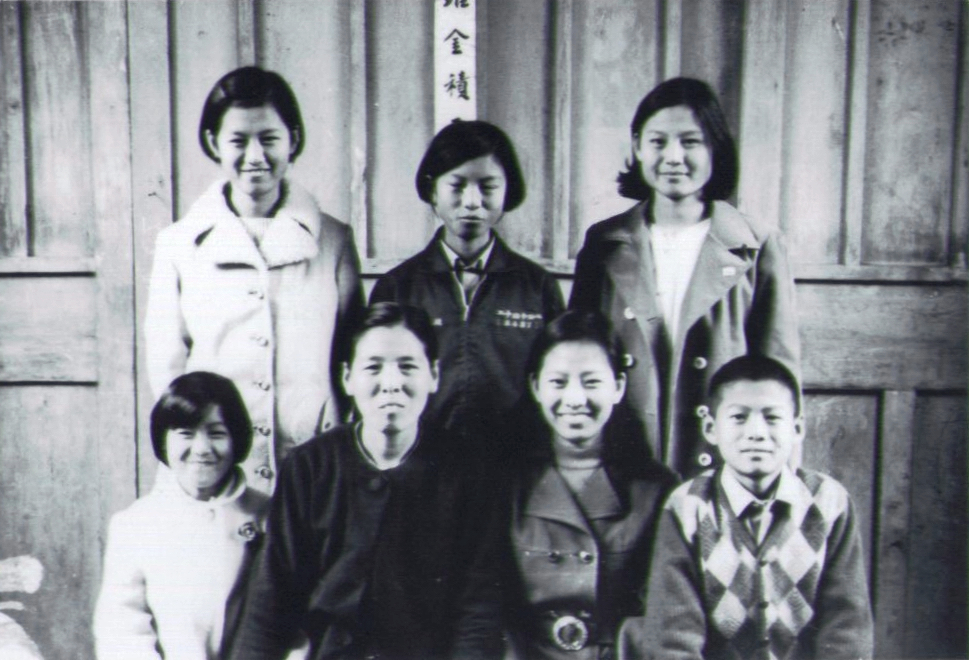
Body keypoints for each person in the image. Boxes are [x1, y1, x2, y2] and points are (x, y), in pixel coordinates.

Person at [227, 302, 505, 660]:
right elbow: (272, 595)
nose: (391, 384)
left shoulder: (467, 471)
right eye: (373, 367)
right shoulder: (310, 467)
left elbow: (478, 611)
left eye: (408, 367)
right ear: (347, 378)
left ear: (434, 375)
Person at [144, 66, 365, 495]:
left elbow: (350, 355)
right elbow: (167, 367)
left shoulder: (334, 240)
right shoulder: (178, 244)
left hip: (312, 459)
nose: (255, 156)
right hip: (213, 463)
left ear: (293, 140)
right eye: (238, 141)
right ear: (213, 143)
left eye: (269, 138)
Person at [569, 77, 800, 479]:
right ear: (638, 146)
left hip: (723, 463)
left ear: (715, 149)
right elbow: (578, 357)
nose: (673, 157)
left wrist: (780, 477)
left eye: (691, 142)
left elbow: (780, 375)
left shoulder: (757, 244)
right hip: (623, 462)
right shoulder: (604, 243)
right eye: (658, 142)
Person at [617, 355, 873, 660]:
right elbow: (674, 635)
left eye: (772, 417)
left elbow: (846, 626)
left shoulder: (828, 502)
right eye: (739, 417)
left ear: (797, 428)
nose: (756, 432)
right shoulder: (688, 506)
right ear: (711, 428)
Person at [369, 120, 564, 459]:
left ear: (508, 191)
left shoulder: (537, 286)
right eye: (456, 186)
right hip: (422, 465)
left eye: (488, 186)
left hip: (517, 465)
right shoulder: (398, 286)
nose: (472, 201)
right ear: (433, 190)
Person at [502, 311, 677, 660]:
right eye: (558, 382)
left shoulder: (656, 489)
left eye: (591, 382)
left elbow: (663, 614)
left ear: (619, 387)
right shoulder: (504, 484)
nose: (575, 399)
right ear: (536, 387)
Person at [93, 372, 300, 660]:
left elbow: (295, 625)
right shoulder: (135, 525)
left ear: (236, 439)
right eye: (186, 434)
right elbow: (121, 631)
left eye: (216, 433)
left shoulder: (272, 516)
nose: (202, 449)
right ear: (164, 440)